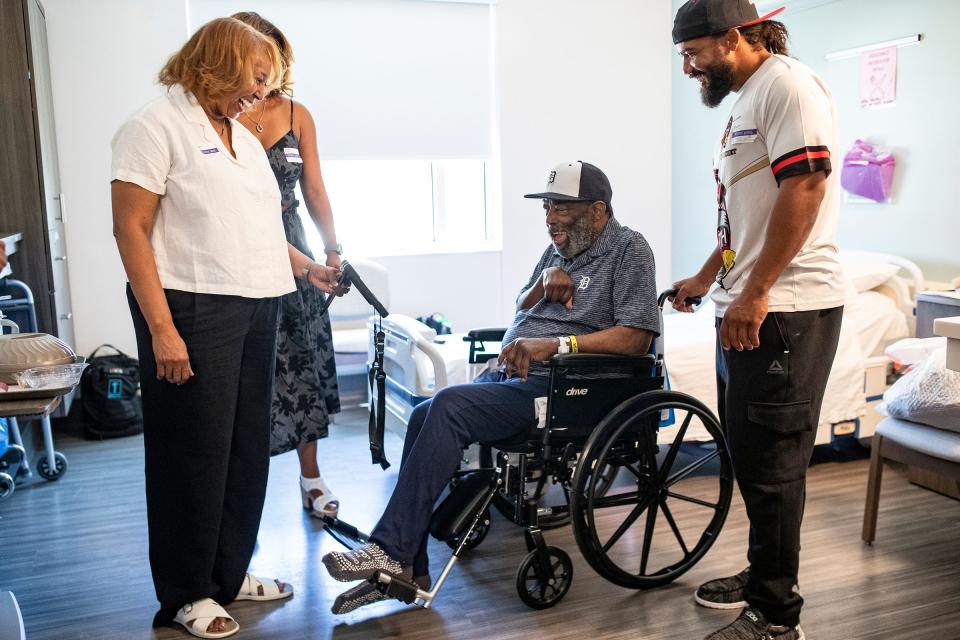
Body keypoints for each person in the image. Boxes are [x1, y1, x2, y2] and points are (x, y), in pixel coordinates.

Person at [320, 160, 661, 614]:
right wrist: (542, 286)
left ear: (598, 211)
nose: (549, 218)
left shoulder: (629, 250)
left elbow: (637, 337)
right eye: (547, 207)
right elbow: (523, 302)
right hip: (518, 378)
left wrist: (557, 344)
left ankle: (391, 551)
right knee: (425, 413)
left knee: (447, 407)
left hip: (567, 391)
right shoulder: (558, 251)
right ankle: (407, 565)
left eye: (561, 208)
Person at [111, 17, 340, 639]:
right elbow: (130, 229)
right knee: (194, 455)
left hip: (259, 304)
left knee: (245, 452)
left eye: (267, 82)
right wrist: (161, 329)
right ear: (215, 64)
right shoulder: (153, 127)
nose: (261, 93)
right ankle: (186, 593)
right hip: (193, 308)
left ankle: (229, 573)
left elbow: (261, 227)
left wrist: (308, 268)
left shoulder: (236, 132)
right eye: (254, 78)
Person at [671, 2, 845, 639]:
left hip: (789, 309)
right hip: (747, 305)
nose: (689, 68)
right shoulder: (746, 100)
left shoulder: (790, 87)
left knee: (773, 468)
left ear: (734, 37)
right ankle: (764, 574)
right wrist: (705, 275)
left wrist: (757, 290)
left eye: (694, 54)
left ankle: (776, 617)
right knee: (749, 456)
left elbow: (806, 187)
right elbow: (746, 216)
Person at [232, 11, 344, 520]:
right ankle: (240, 491)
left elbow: (314, 188)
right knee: (255, 366)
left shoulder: (298, 114)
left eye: (270, 62)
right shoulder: (221, 112)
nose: (263, 74)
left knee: (303, 360)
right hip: (236, 247)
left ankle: (312, 478)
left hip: (291, 240)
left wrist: (333, 249)